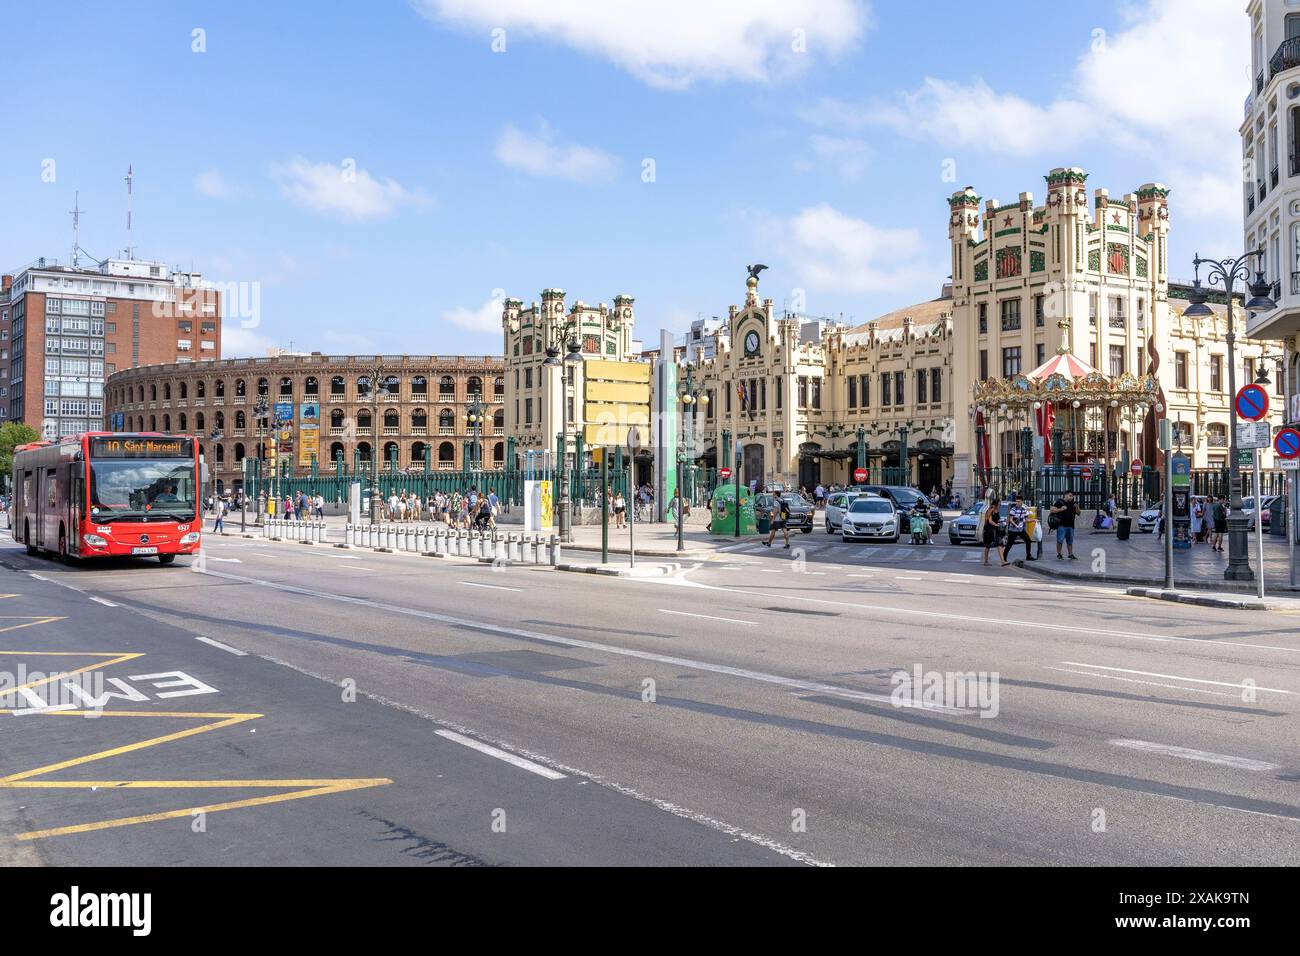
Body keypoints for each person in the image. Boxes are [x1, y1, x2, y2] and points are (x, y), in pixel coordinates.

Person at [1001, 494, 1032, 566]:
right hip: (1013, 530)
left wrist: (1033, 520)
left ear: (1022, 502)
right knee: (1009, 544)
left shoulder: (1024, 509)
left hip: (1020, 530)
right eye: (1016, 501)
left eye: (1019, 501)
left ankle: (1028, 556)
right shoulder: (1013, 509)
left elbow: (1026, 520)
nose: (1017, 503)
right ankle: (1004, 559)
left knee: (1028, 540)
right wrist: (1016, 525)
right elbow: (1011, 520)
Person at [1050, 490, 1080, 560]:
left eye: (1072, 496)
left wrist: (1077, 507)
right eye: (1070, 496)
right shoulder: (1059, 502)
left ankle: (1070, 554)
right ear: (1065, 495)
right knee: (1060, 540)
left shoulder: (1073, 503)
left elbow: (1078, 513)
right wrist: (1061, 509)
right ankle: (1059, 554)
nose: (1071, 497)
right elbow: (1052, 510)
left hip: (1071, 525)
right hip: (1061, 525)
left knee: (1070, 541)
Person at [978, 492, 1002, 567]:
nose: (1000, 505)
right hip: (989, 529)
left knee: (998, 544)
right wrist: (996, 524)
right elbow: (989, 520)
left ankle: (1002, 560)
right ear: (996, 504)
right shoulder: (991, 509)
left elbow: (996, 519)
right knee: (988, 545)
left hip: (994, 529)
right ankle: (986, 561)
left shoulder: (997, 510)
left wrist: (1000, 522)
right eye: (999, 504)